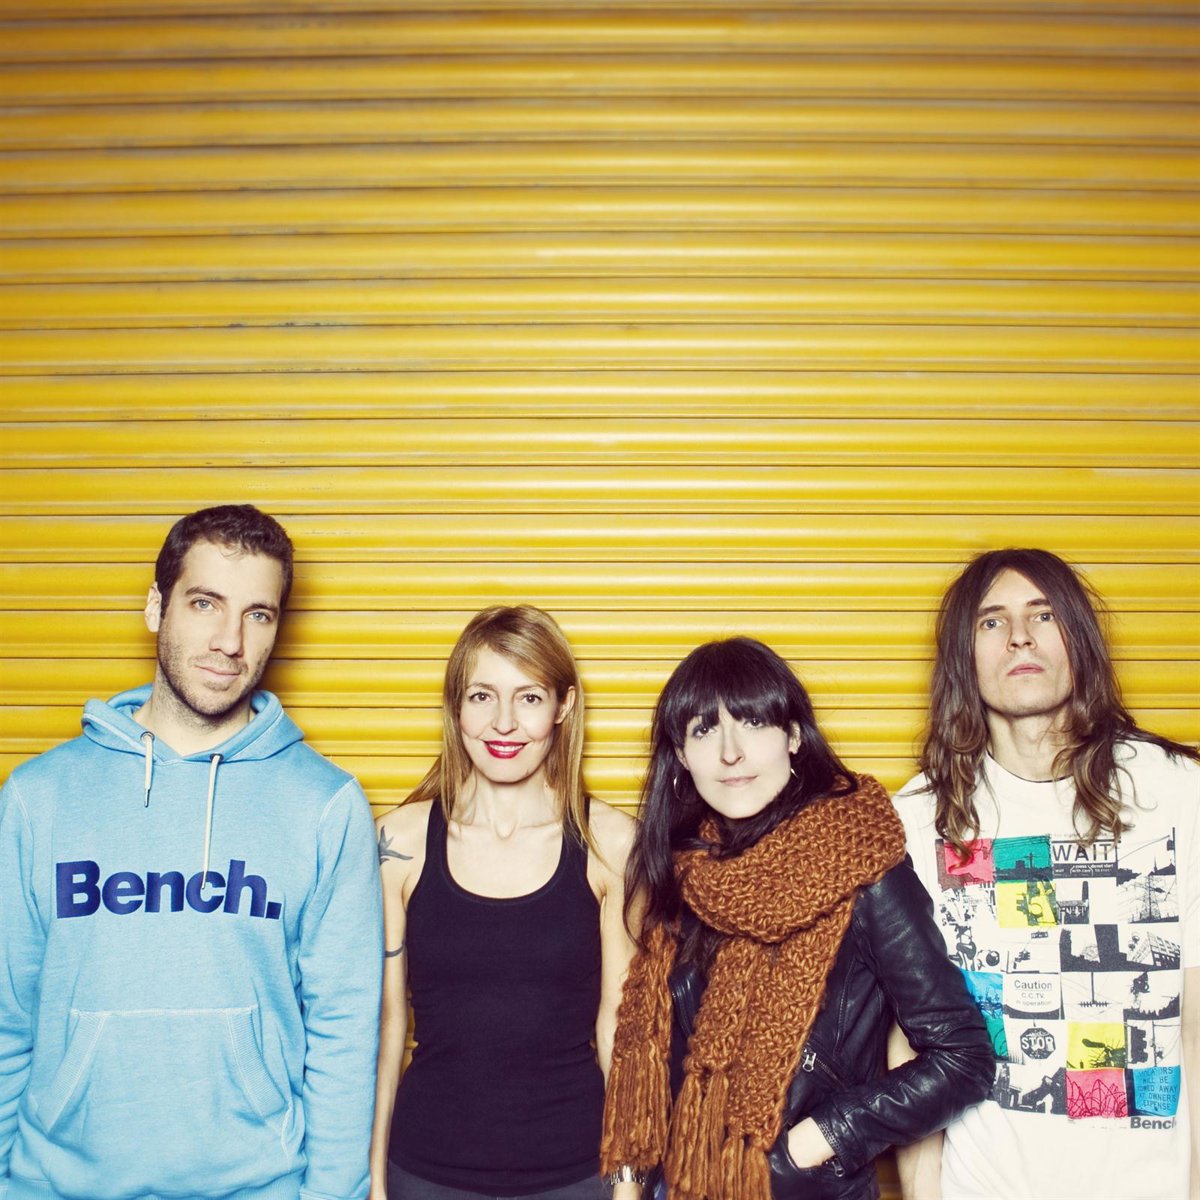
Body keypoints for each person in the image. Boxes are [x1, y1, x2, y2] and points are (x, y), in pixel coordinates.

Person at [0, 504, 383, 1200]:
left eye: (258, 614)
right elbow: (5, 1018)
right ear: (156, 607)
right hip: (56, 1184)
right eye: (205, 603)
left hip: (255, 1185)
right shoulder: (38, 797)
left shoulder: (324, 804)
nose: (230, 641)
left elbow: (344, 1033)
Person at [600, 637, 994, 1200]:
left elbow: (963, 1057)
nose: (731, 752)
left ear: (792, 736)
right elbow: (651, 1068)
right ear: (682, 756)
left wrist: (817, 1141)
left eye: (752, 722)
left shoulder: (862, 868)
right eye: (704, 730)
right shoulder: (679, 874)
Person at [892, 548, 1200, 1200]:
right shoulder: (919, 819)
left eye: (1043, 614)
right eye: (991, 621)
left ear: (1078, 639)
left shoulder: (1176, 791)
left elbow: (1196, 1020)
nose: (1020, 637)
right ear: (963, 657)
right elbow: (912, 1041)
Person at [370, 605, 637, 1200]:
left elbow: (620, 1031)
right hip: (425, 1172)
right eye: (482, 696)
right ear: (456, 706)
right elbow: (386, 1025)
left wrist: (627, 1189)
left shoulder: (612, 844)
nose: (504, 723)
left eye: (530, 698)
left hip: (576, 1175)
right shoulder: (398, 844)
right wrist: (375, 1182)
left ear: (563, 707)